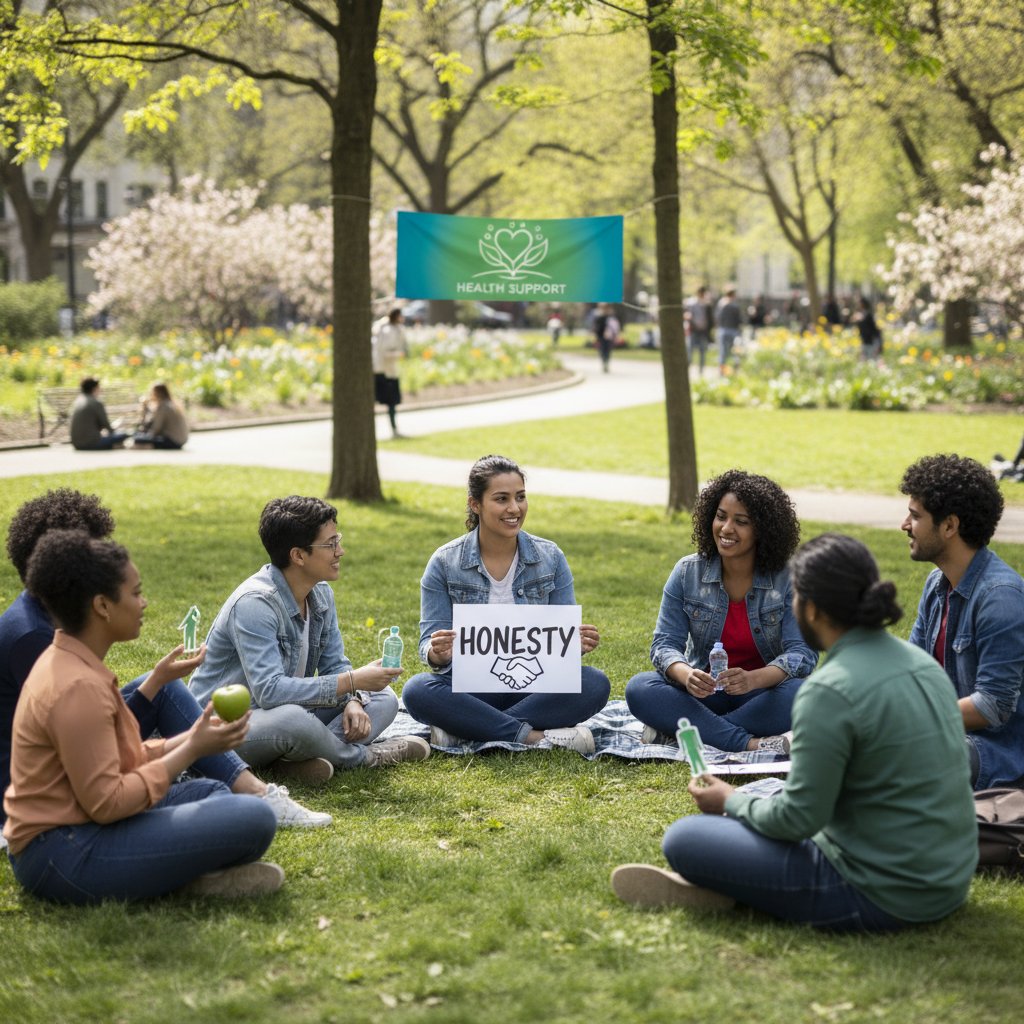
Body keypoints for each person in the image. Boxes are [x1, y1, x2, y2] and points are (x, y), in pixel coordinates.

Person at [612, 533, 978, 931]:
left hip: (878, 892)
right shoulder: (922, 665)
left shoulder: (829, 690)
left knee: (686, 838)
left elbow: (797, 819)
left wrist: (730, 800)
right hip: (949, 880)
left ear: (813, 609)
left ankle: (734, 890)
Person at [0, 488, 330, 834]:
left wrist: (156, 683)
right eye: (96, 558)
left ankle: (243, 781)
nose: (109, 564)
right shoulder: (36, 640)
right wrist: (181, 750)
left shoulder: (45, 619)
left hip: (75, 769)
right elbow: (94, 750)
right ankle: (242, 784)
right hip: (49, 795)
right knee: (222, 797)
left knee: (166, 689)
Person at [3, 529, 285, 902]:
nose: (145, 602)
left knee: (212, 791)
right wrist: (190, 751)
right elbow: (107, 803)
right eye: (135, 593)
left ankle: (173, 875)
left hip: (80, 825)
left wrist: (192, 738)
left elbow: (116, 759)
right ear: (103, 606)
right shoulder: (77, 686)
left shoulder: (72, 660)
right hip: (62, 852)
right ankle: (178, 878)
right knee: (254, 817)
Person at [188, 496, 430, 779]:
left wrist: (352, 699)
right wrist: (352, 681)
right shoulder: (254, 604)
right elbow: (269, 692)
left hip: (283, 713)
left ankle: (294, 759)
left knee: (382, 698)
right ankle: (365, 757)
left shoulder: (321, 594)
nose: (341, 551)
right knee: (293, 720)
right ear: (298, 556)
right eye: (330, 544)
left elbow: (334, 664)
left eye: (338, 540)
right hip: (225, 728)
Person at [402, 455, 611, 751]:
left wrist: (575, 644)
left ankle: (468, 728)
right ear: (475, 504)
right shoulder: (445, 562)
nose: (514, 508)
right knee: (417, 690)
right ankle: (534, 737)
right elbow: (429, 645)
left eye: (520, 497)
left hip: (535, 684)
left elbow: (560, 647)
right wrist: (438, 653)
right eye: (502, 499)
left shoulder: (551, 557)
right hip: (472, 689)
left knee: (594, 683)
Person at [625, 470, 816, 753]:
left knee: (807, 693)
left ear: (763, 530)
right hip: (703, 695)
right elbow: (664, 644)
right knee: (640, 688)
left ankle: (684, 733)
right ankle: (748, 743)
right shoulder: (687, 572)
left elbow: (802, 654)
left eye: (741, 522)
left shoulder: (789, 579)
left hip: (762, 695)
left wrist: (753, 679)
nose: (726, 528)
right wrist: (686, 675)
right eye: (721, 516)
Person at [900, 453, 1024, 788]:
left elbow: (993, 705)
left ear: (949, 526)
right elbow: (913, 672)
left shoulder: (1001, 597)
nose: (905, 525)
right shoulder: (936, 584)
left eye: (915, 516)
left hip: (998, 754)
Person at [372, 307, 409, 439]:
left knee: (391, 403)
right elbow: (384, 351)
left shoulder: (393, 329)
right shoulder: (387, 330)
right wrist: (399, 354)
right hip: (384, 371)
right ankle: (392, 430)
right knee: (390, 402)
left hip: (387, 370)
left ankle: (393, 429)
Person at [69, 377, 129, 450]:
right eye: (99, 387)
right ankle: (113, 445)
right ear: (94, 388)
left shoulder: (77, 402)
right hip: (92, 443)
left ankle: (113, 445)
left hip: (76, 444)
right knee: (125, 434)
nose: (100, 390)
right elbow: (107, 426)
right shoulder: (96, 403)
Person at [132, 382, 190, 449]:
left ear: (157, 393)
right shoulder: (171, 404)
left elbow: (156, 429)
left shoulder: (163, 406)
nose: (150, 395)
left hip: (172, 441)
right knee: (141, 438)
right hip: (181, 440)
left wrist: (145, 411)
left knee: (138, 439)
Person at [714, 287, 742, 375]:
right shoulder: (735, 306)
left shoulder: (721, 304)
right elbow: (739, 320)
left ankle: (722, 372)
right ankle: (734, 372)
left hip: (723, 330)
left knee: (723, 352)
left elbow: (717, 317)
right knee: (735, 352)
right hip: (733, 330)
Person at [684, 286, 713, 373]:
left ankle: (701, 371)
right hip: (693, 330)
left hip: (703, 331)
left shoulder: (707, 305)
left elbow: (710, 319)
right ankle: (686, 370)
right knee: (690, 351)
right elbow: (685, 314)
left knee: (702, 352)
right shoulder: (691, 303)